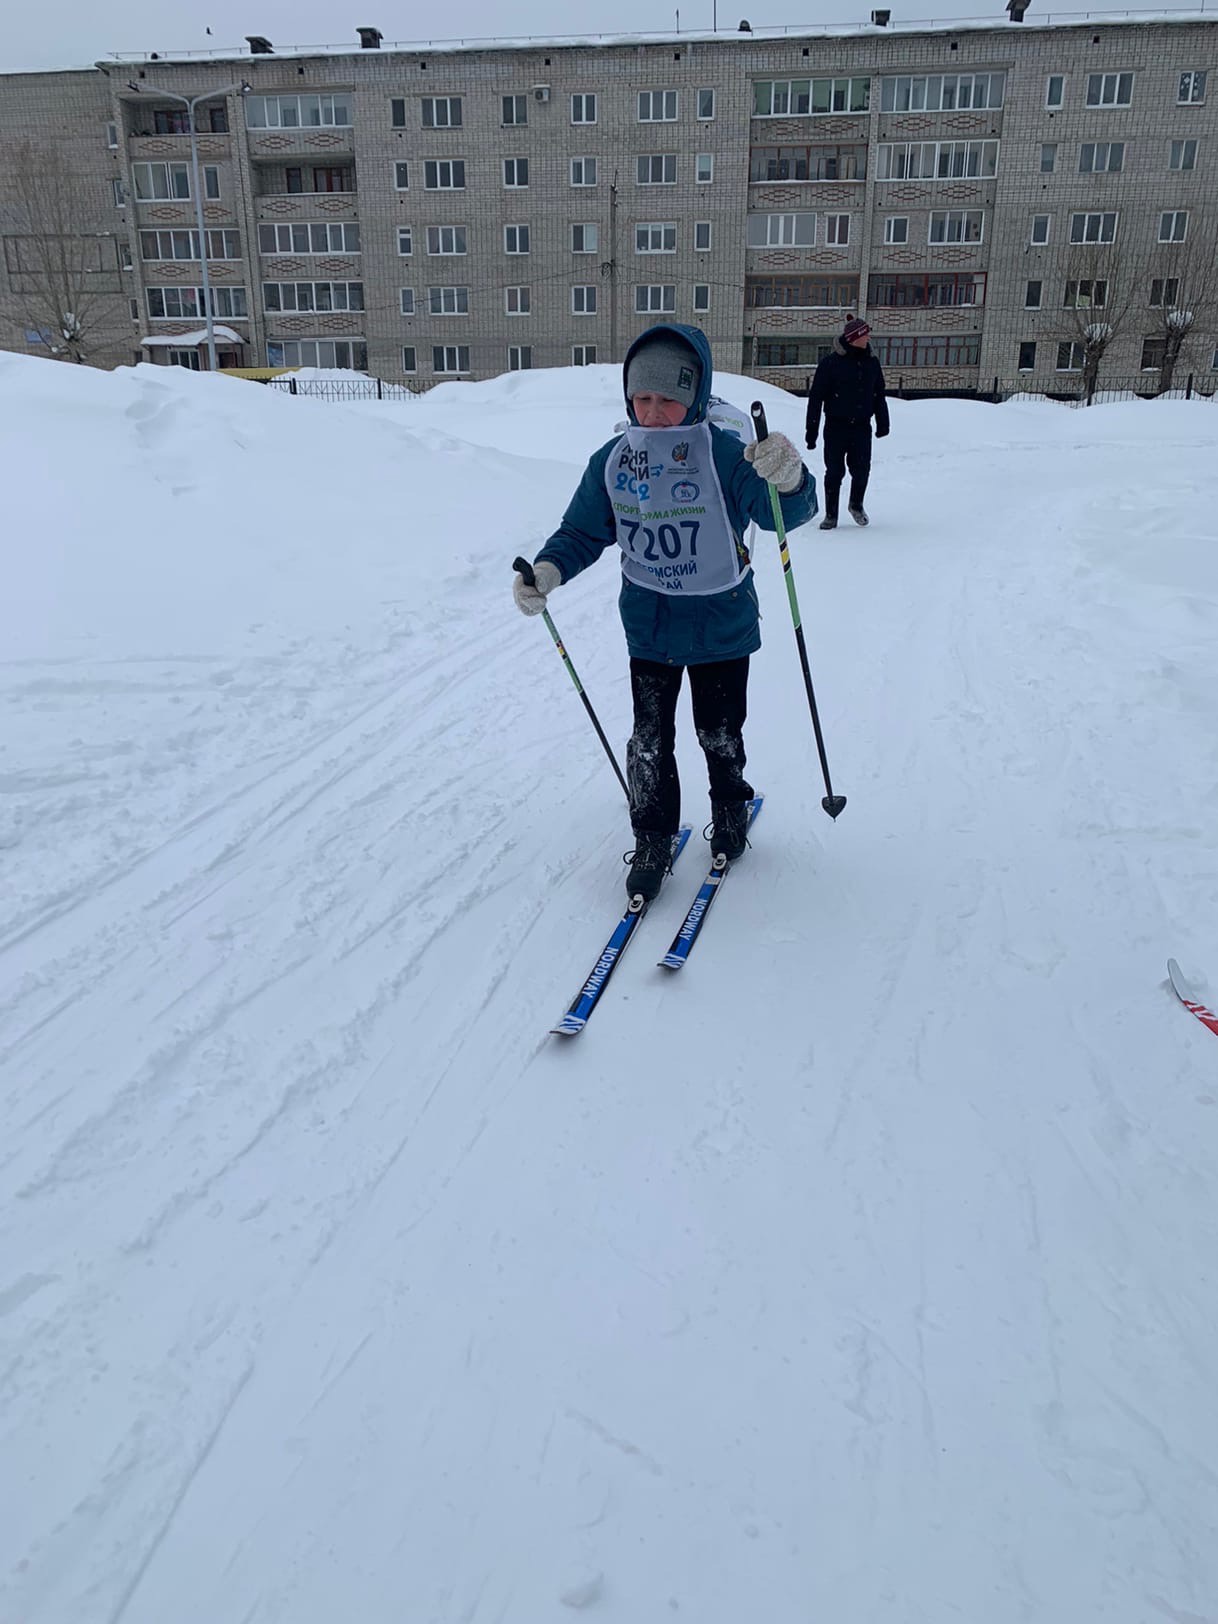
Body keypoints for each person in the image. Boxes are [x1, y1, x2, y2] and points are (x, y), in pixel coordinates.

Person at [513, 323, 818, 902]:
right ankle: (651, 836)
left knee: (719, 731)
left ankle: (730, 808)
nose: (653, 414)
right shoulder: (613, 460)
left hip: (721, 622)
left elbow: (785, 513)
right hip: (650, 625)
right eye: (642, 398)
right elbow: (582, 530)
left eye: (668, 399)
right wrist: (548, 570)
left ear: (695, 395)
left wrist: (790, 478)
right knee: (649, 738)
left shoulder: (724, 454)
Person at [805, 316, 890, 530]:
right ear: (854, 338)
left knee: (861, 469)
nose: (869, 337)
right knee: (834, 472)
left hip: (862, 427)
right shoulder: (830, 364)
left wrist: (883, 422)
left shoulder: (872, 363)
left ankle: (856, 505)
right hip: (836, 427)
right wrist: (811, 432)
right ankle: (831, 515)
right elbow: (816, 398)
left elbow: (879, 394)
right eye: (865, 334)